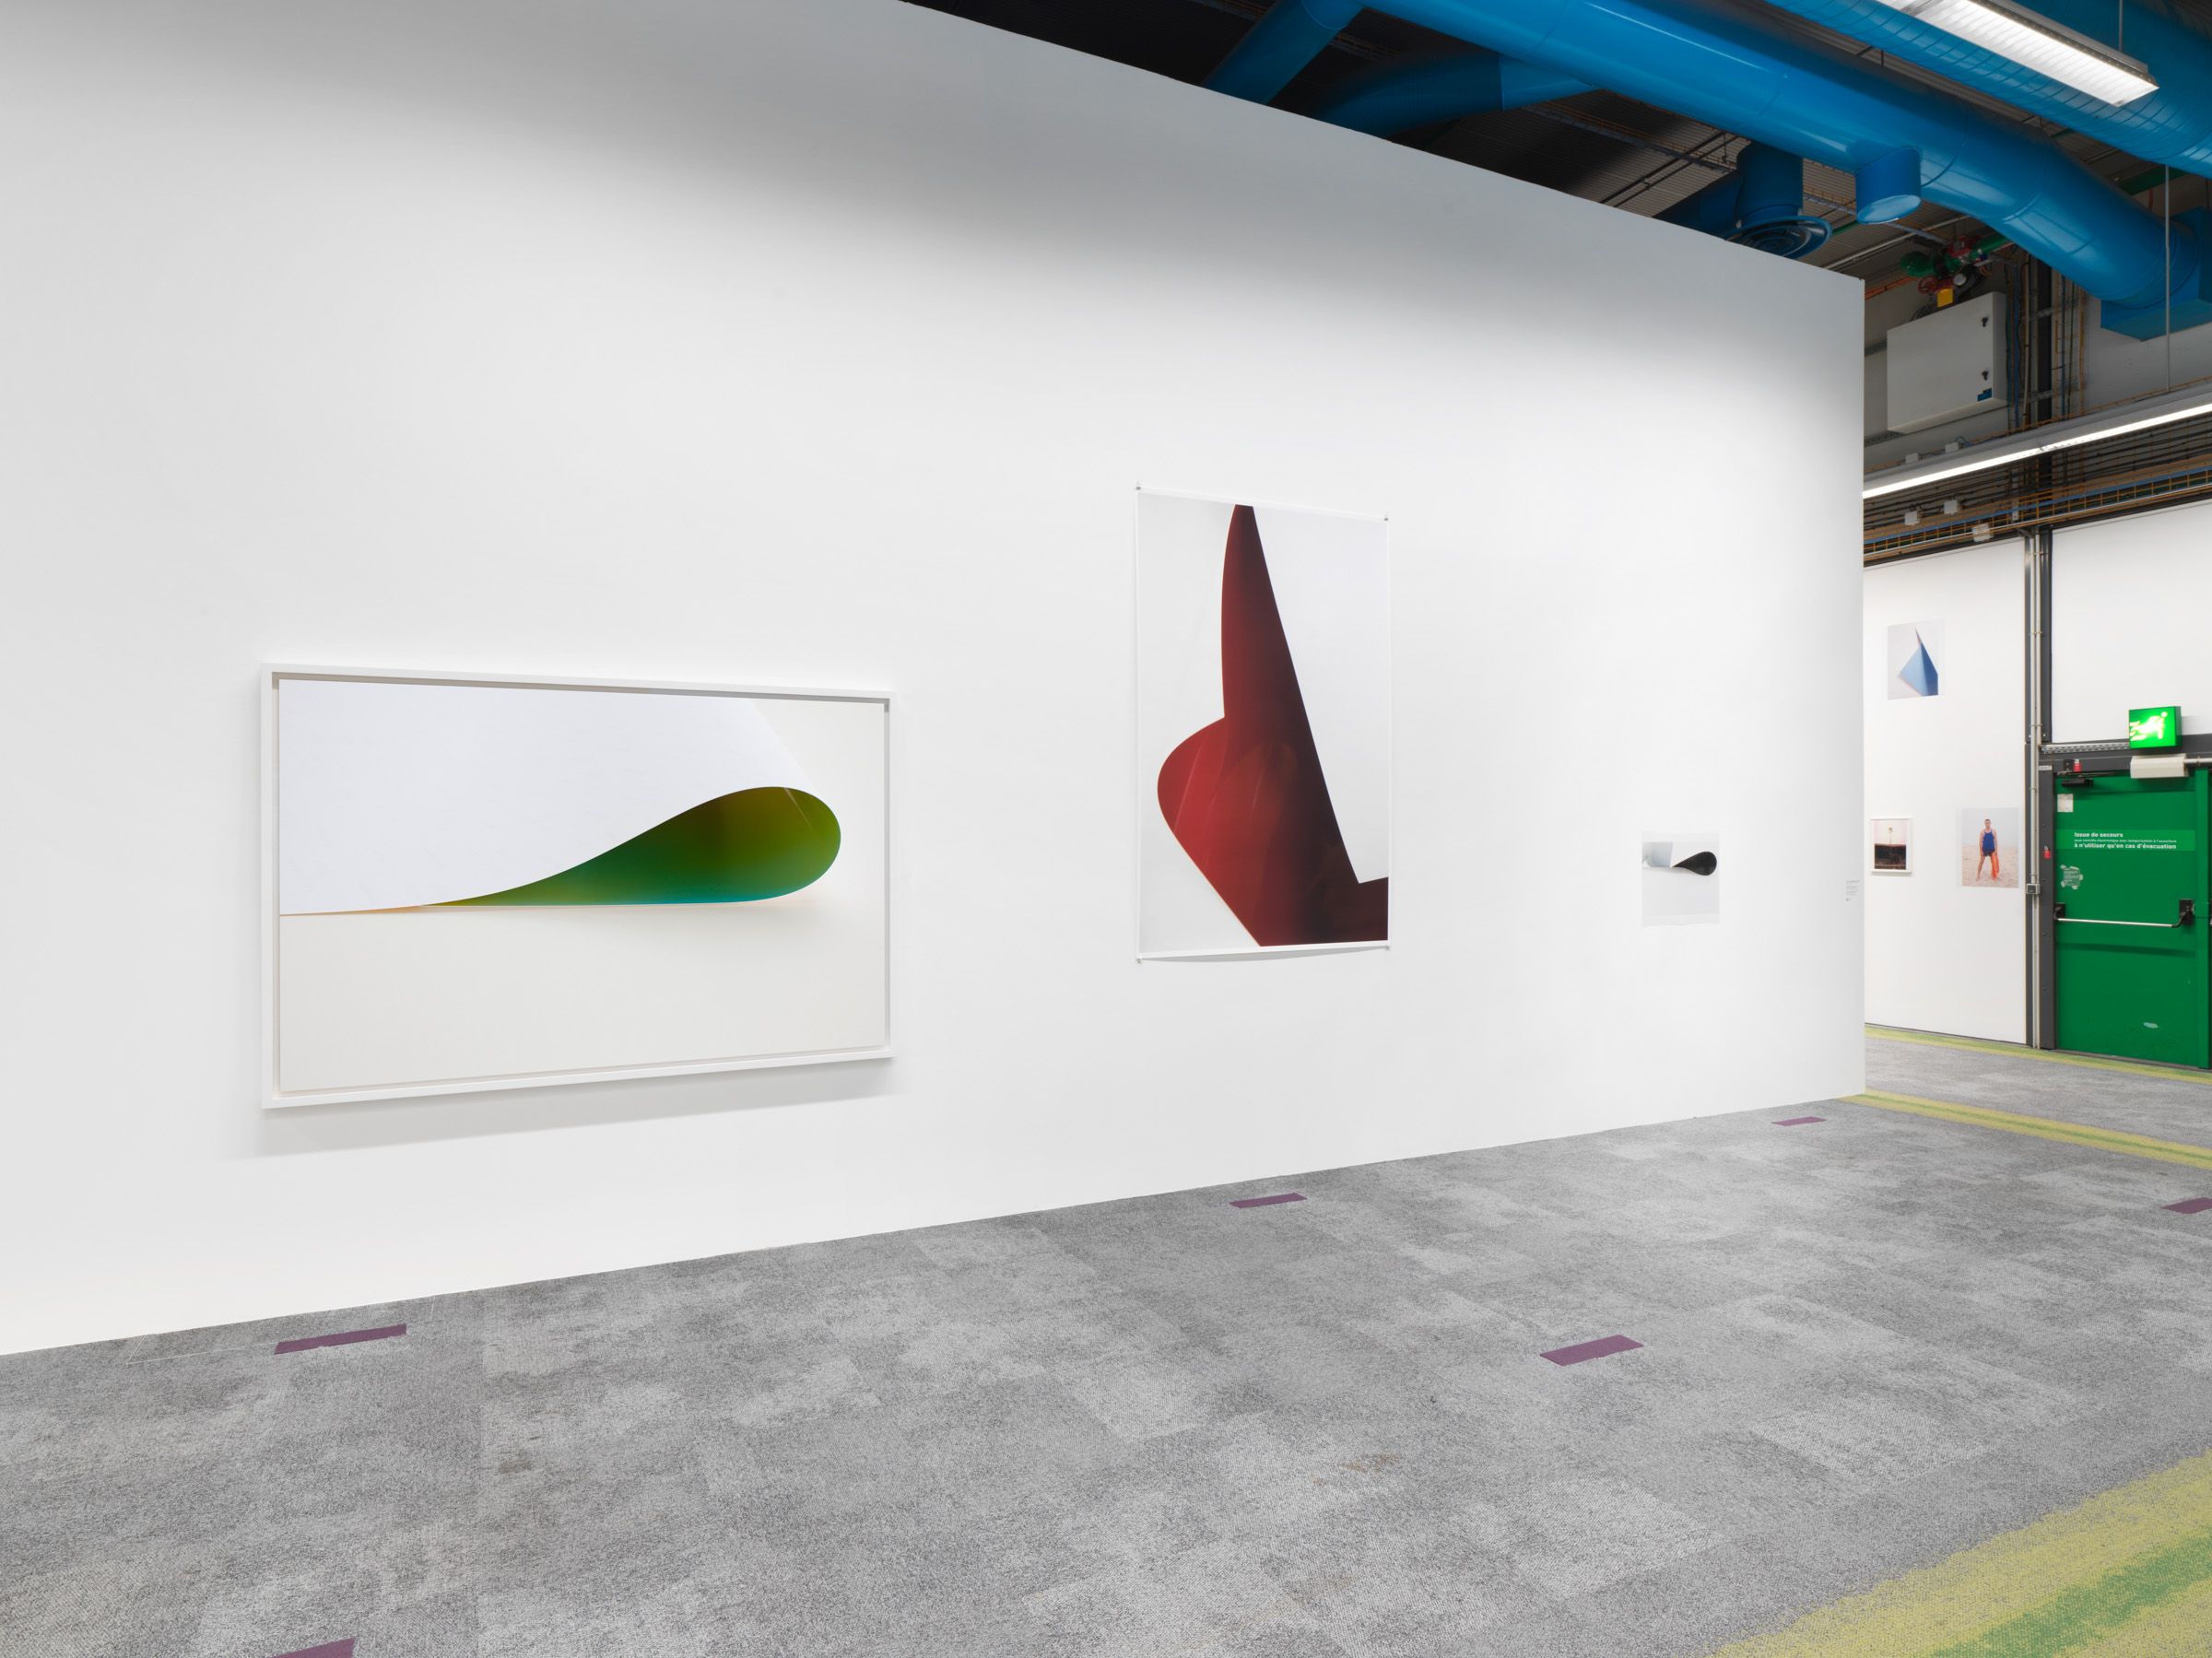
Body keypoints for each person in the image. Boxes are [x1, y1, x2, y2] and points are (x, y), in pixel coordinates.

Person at [1976, 817, 1999, 884]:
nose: (1987, 824)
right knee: (1981, 862)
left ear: (1990, 823)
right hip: (1984, 849)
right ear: (1985, 824)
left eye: (1988, 823)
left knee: (1993, 863)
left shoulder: (1994, 831)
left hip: (1992, 849)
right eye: (1986, 823)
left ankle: (1994, 876)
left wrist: (1996, 850)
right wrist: (1980, 851)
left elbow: (1996, 841)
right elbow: (1980, 842)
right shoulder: (1982, 832)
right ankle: (1978, 874)